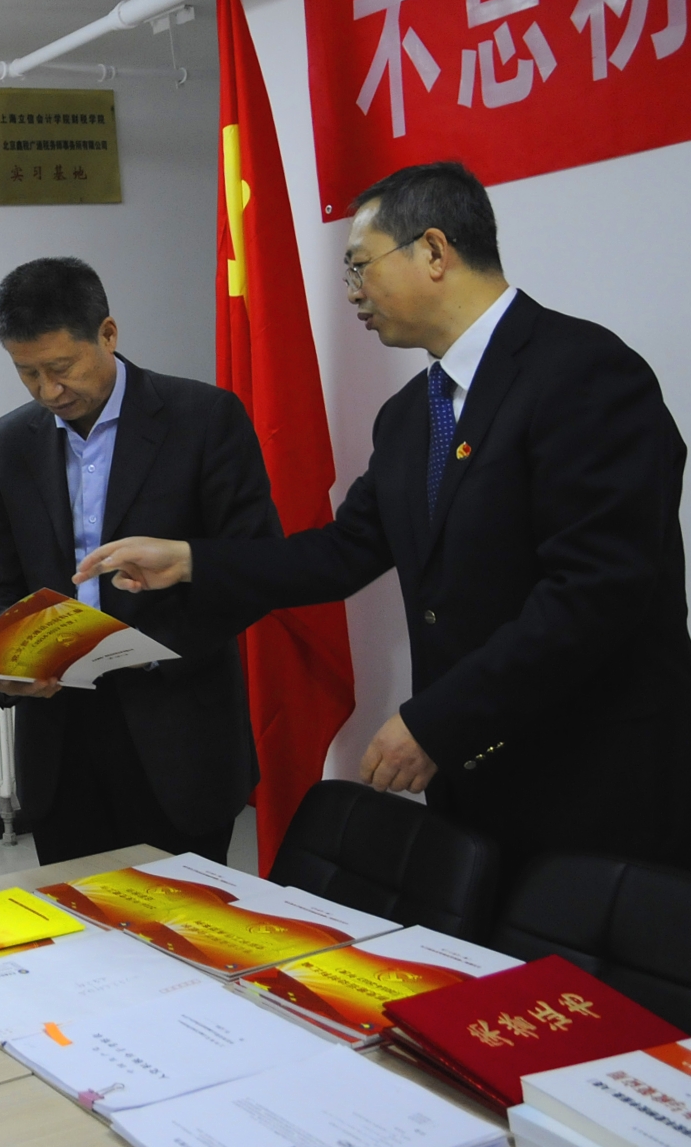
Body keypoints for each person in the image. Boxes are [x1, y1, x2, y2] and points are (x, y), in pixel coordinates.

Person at [80, 162, 691, 873]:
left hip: (594, 774)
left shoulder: (584, 374)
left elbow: (594, 594)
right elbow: (343, 551)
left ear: (433, 251)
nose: (351, 293)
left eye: (359, 266)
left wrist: (437, 721)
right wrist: (190, 559)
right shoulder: (409, 417)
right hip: (474, 776)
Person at [0, 258, 282, 864]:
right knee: (77, 914)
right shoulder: (7, 443)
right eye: (27, 373)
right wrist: (2, 663)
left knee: (185, 911)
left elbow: (256, 567)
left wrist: (149, 648)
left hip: (177, 729)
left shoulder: (204, 419)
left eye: (61, 368)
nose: (48, 391)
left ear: (108, 334)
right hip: (60, 739)